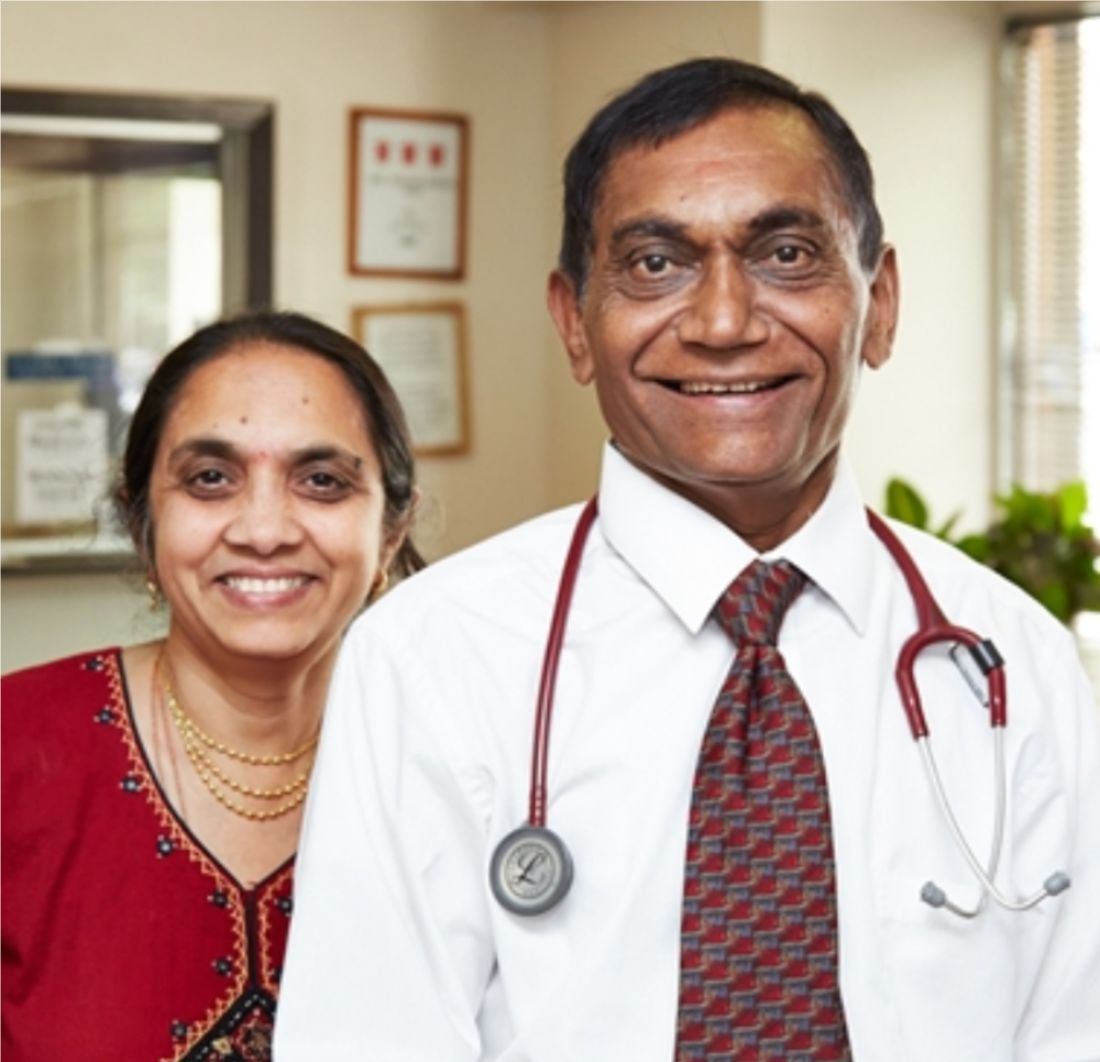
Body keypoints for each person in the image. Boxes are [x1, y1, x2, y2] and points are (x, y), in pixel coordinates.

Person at [275, 58, 1100, 1060]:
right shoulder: (429, 657)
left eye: (787, 253)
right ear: (574, 322)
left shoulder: (1014, 661)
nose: (721, 323)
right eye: (655, 264)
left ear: (877, 304)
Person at [1, 310, 421, 1061]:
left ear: (389, 531)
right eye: (210, 479)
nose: (263, 530)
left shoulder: (465, 760)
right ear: (142, 525)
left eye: (321, 481)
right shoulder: (16, 750)